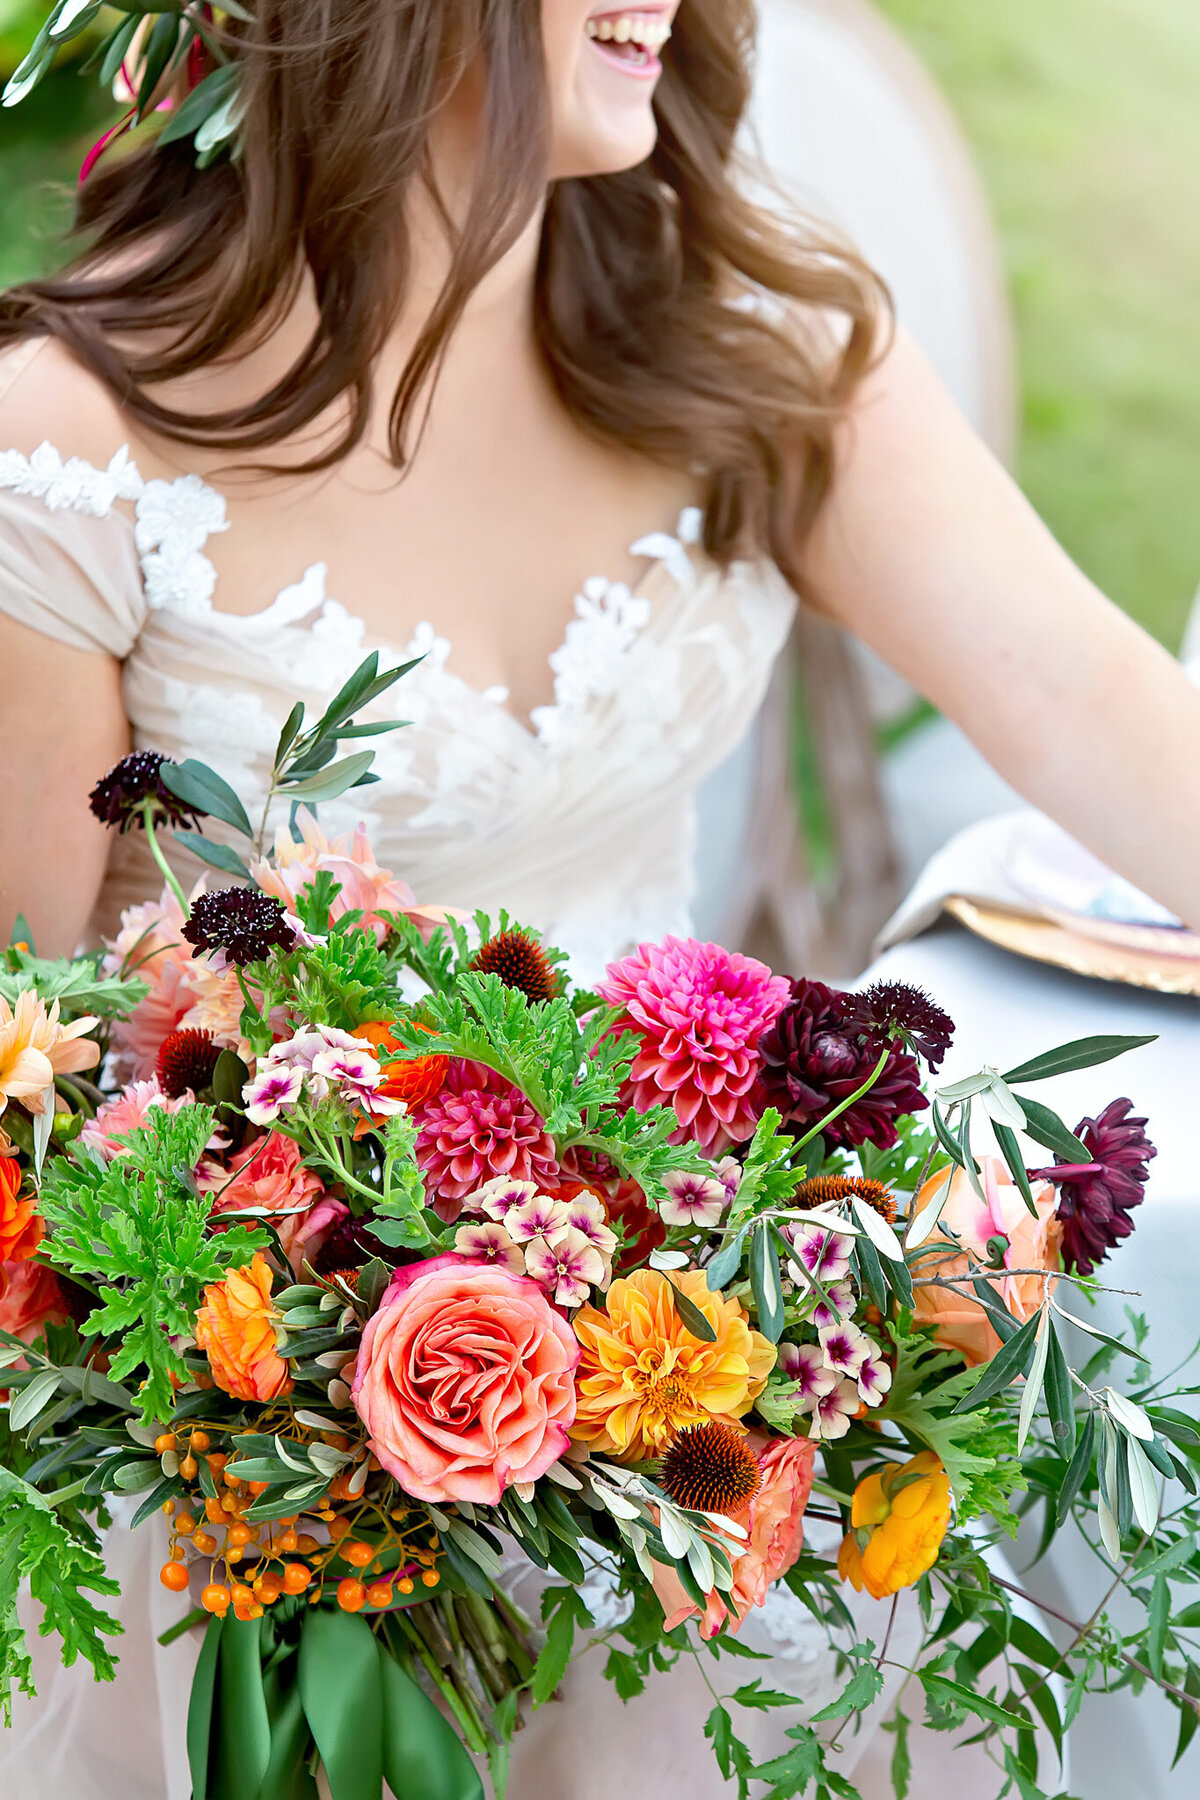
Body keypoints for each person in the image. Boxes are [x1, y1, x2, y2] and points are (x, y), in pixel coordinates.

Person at [0, 2, 1192, 1794]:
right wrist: (313, 1368)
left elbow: (1114, 723)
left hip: (694, 1421)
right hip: (239, 1495)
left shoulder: (758, 349)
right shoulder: (74, 453)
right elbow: (36, 1070)